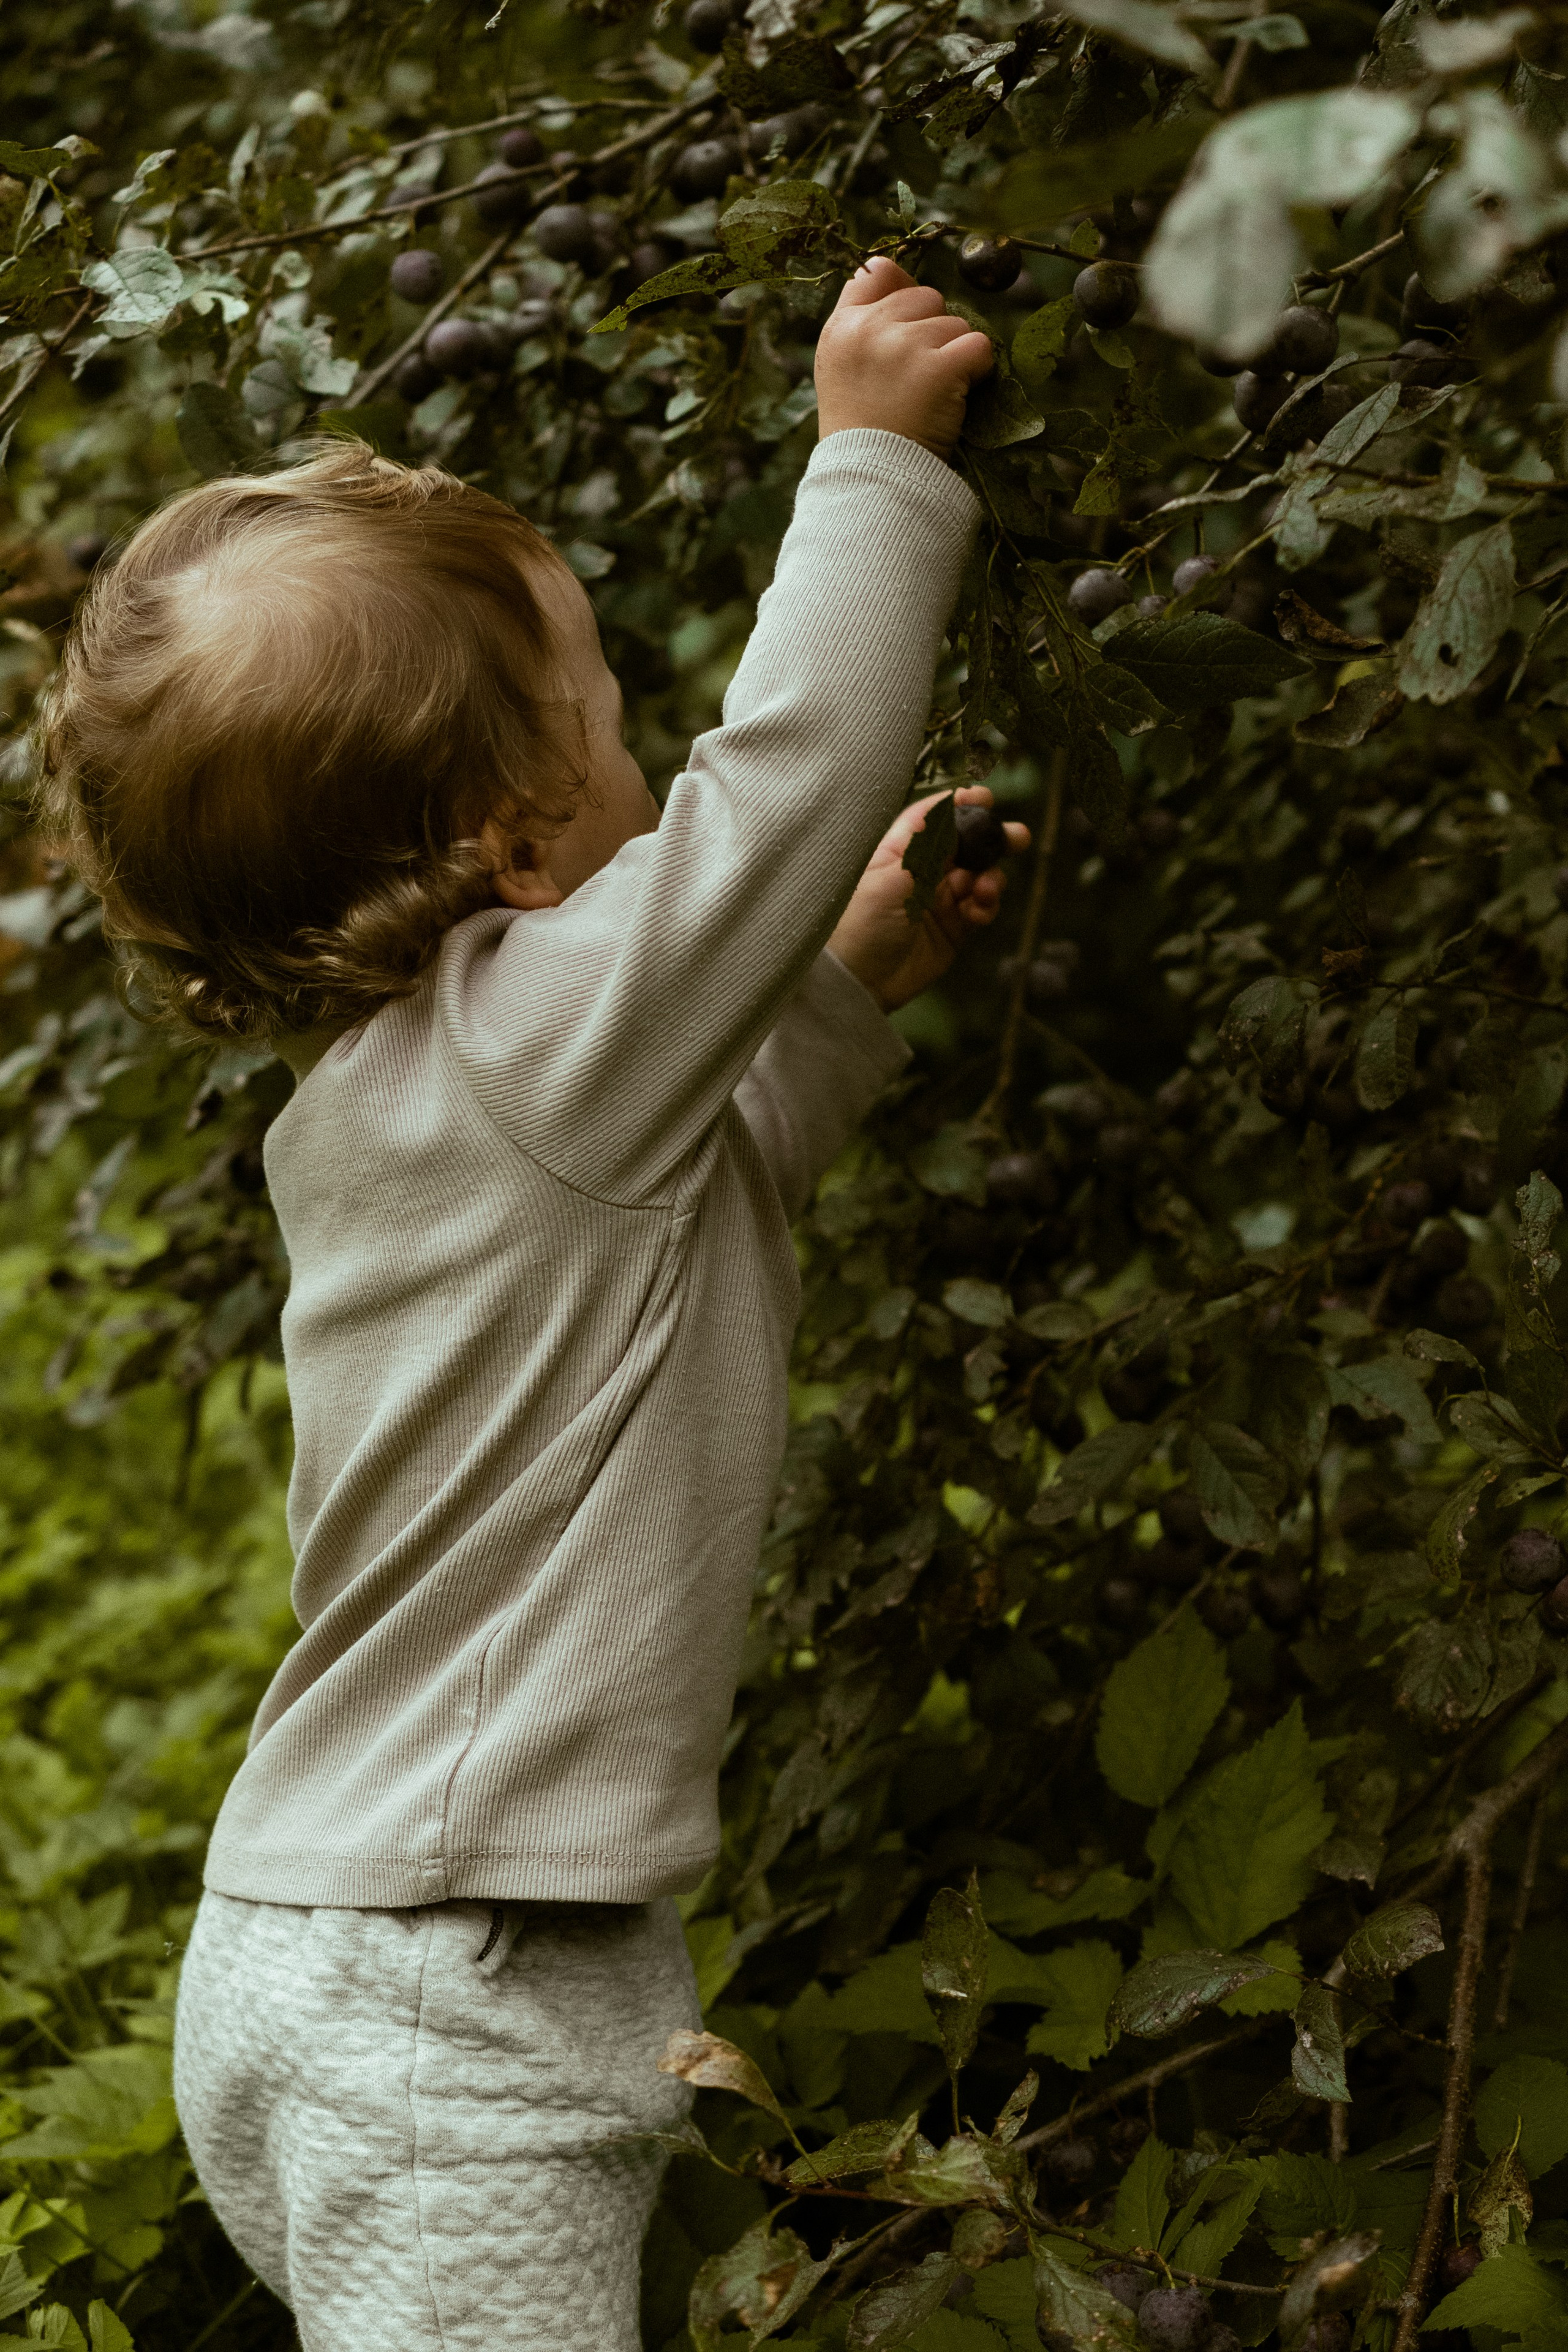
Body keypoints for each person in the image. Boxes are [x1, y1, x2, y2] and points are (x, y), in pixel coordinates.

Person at [37, 254, 1021, 2347]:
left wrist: (835, 986)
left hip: (334, 1951)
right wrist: (871, 462)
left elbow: (672, 1230)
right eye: (595, 700)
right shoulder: (542, 1047)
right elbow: (798, 768)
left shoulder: (410, 1099)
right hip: (457, 1999)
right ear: (511, 838)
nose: (634, 730)